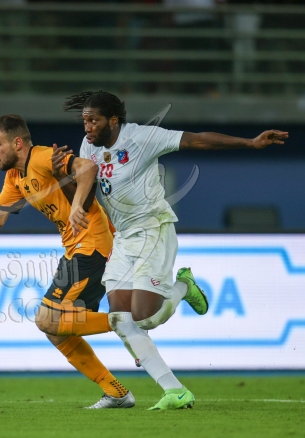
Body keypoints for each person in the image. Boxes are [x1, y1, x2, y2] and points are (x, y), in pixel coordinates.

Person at [52, 90, 288, 410]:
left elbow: (196, 140)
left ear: (113, 120)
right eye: (85, 121)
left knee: (145, 318)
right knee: (120, 319)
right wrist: (62, 175)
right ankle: (175, 391)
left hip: (153, 229)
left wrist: (249, 143)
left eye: (93, 121)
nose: (87, 127)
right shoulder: (88, 147)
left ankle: (183, 287)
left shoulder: (141, 137)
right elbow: (89, 195)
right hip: (124, 237)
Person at [0, 114, 135, 409]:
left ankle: (129, 323)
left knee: (46, 320)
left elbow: (88, 168)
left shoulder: (41, 157)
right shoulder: (15, 177)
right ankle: (116, 391)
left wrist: (77, 206)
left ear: (17, 143)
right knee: (55, 330)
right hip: (75, 250)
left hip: (92, 244)